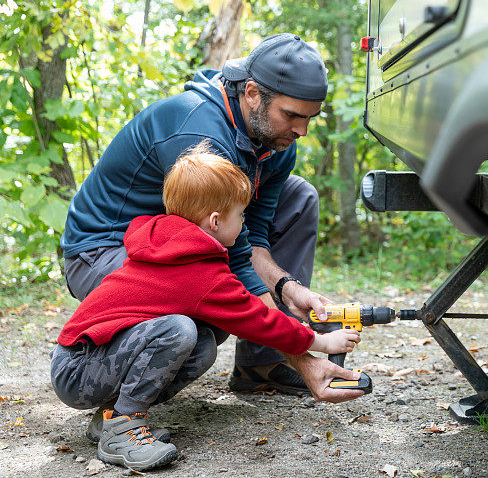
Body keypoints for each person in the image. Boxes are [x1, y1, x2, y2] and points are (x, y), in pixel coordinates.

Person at [60, 33, 349, 399]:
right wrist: (305, 357)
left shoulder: (277, 143)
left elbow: (252, 239)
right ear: (252, 93)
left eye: (310, 118)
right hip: (104, 250)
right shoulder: (199, 133)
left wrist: (286, 287)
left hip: (182, 245)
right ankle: (118, 410)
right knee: (200, 323)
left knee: (300, 196)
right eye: (291, 115)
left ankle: (261, 364)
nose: (301, 131)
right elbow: (235, 261)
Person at [50, 146, 362, 471]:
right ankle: (122, 429)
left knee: (201, 344)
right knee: (178, 331)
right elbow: (256, 318)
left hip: (88, 361)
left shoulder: (169, 243)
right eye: (241, 215)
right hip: (77, 369)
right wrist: (322, 342)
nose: (243, 224)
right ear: (215, 221)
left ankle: (111, 417)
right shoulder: (196, 269)